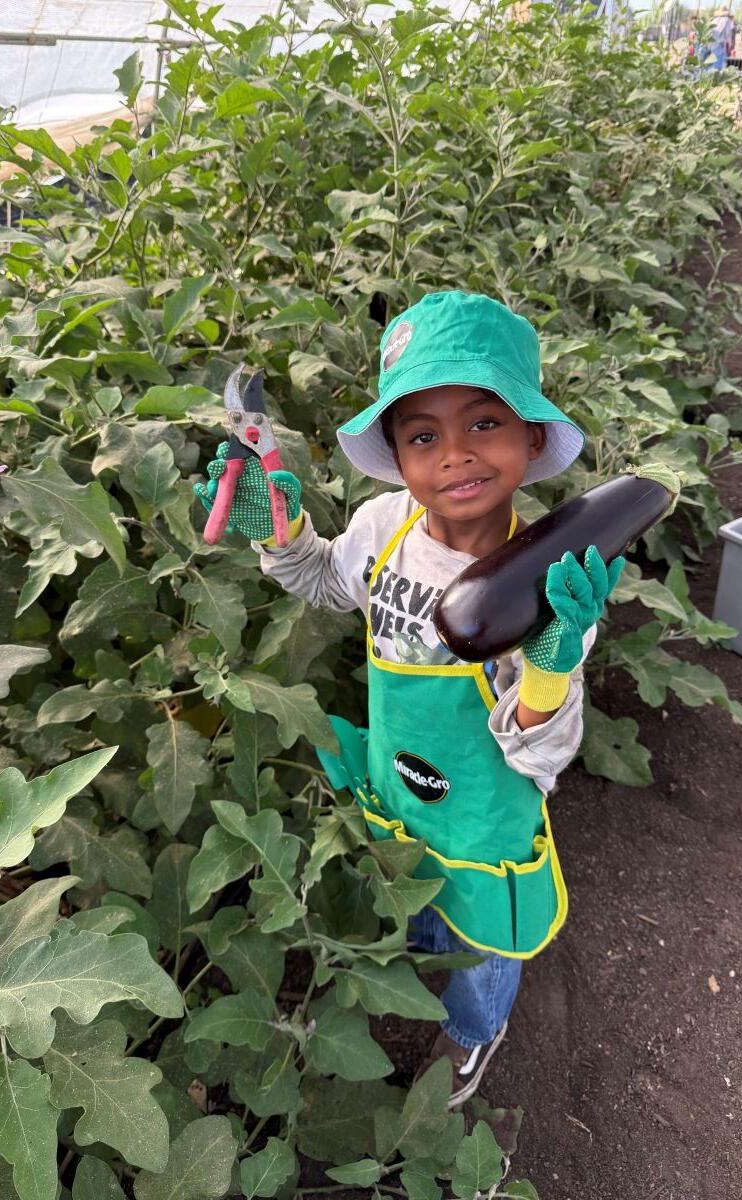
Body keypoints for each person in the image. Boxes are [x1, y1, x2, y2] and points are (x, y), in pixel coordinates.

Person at [195, 291, 625, 1106]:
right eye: (424, 435)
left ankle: (473, 1029)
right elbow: (327, 581)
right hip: (404, 782)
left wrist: (548, 665)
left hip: (487, 812)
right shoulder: (382, 526)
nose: (455, 454)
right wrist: (276, 531)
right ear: (396, 454)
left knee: (486, 937)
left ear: (532, 438)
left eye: (484, 423)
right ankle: (428, 954)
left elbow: (542, 751)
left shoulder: (549, 586)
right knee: (421, 894)